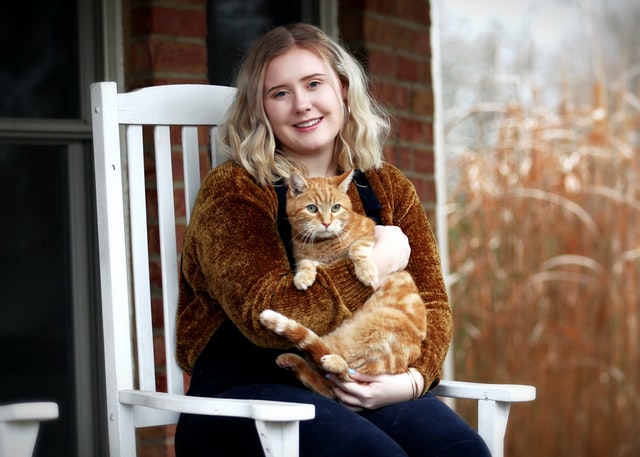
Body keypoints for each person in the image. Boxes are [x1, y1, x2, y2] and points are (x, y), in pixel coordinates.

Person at [174, 23, 490, 457]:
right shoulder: (236, 190)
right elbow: (268, 318)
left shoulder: (386, 187)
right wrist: (375, 265)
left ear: (342, 88)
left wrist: (412, 381)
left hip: (360, 380)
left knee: (459, 450)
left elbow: (433, 305)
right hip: (248, 394)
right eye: (279, 93)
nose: (301, 104)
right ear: (260, 108)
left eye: (313, 83)